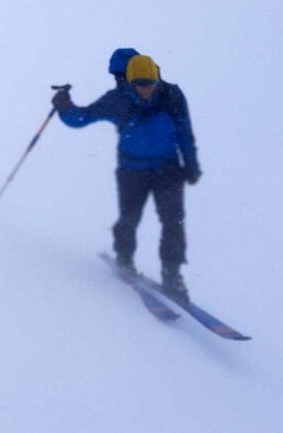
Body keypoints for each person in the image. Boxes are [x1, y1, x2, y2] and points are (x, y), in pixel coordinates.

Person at [51, 54, 201, 302]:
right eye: (140, 85)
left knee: (174, 223)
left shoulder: (172, 95)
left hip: (168, 169)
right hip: (132, 170)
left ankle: (172, 274)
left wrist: (191, 164)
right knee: (129, 218)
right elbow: (82, 117)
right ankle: (124, 259)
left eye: (150, 83)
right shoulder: (117, 100)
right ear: (130, 82)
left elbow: (184, 130)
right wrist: (65, 107)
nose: (147, 90)